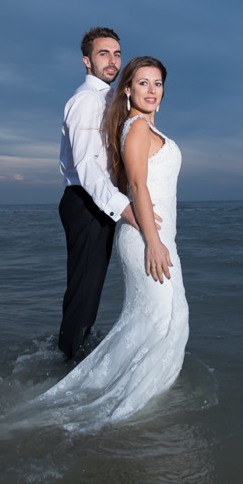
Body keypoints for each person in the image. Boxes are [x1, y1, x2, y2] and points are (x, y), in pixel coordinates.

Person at [31, 56, 188, 428]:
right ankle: (128, 409)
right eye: (144, 83)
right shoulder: (135, 129)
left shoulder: (146, 129)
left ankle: (133, 395)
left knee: (161, 321)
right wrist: (153, 241)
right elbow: (135, 186)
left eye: (158, 83)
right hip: (149, 241)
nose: (152, 90)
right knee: (160, 322)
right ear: (128, 90)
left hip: (159, 237)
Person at [57, 27, 138, 358]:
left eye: (117, 54)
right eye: (104, 53)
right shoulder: (86, 101)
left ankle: (72, 352)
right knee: (84, 291)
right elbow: (89, 167)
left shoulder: (109, 98)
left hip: (97, 201)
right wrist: (126, 209)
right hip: (87, 202)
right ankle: (67, 363)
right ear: (86, 61)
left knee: (89, 290)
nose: (112, 60)